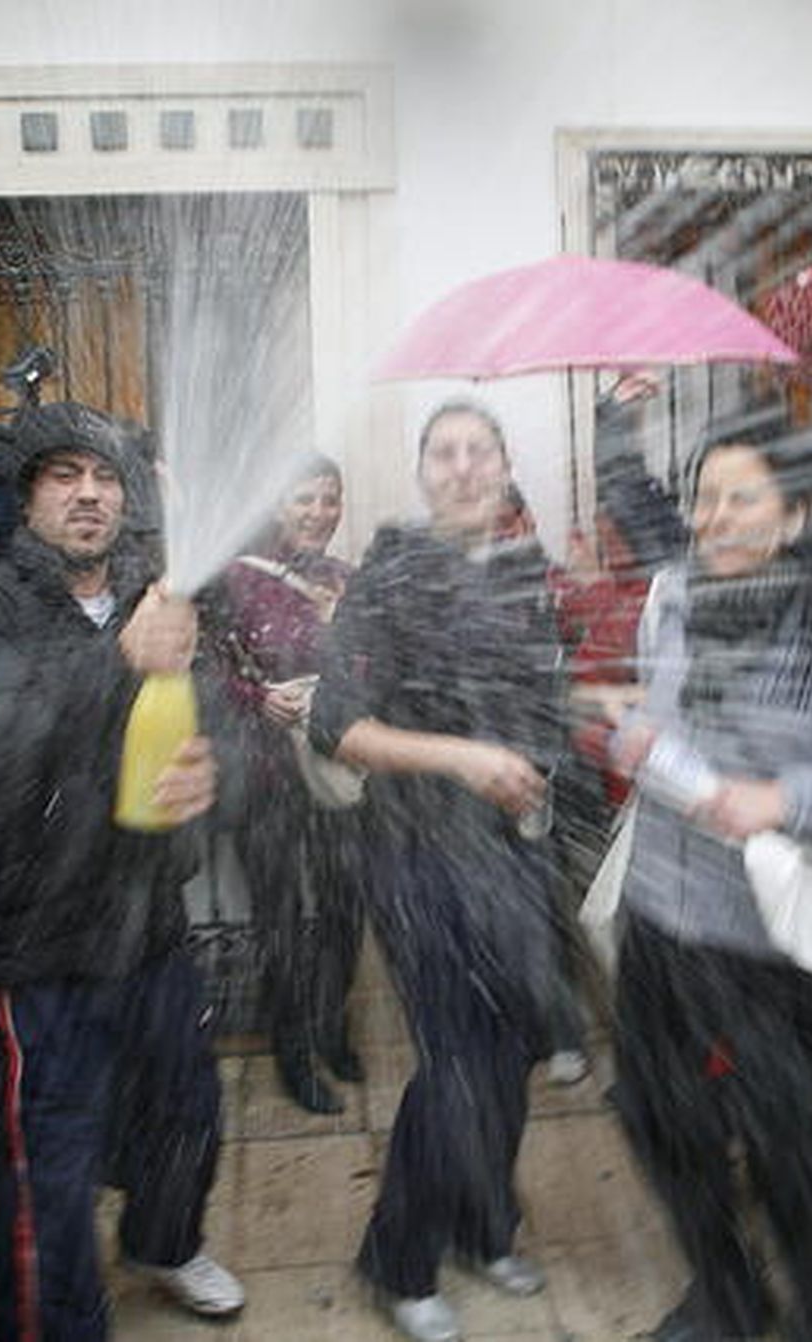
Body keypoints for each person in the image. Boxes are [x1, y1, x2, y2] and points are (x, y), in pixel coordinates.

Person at [0, 401, 243, 1339]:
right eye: (65, 476)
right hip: (29, 932)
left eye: (103, 476)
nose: (90, 493)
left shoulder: (161, 598)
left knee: (185, 1102)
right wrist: (118, 658)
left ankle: (164, 1239)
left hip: (144, 911)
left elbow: (216, 718)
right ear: (28, 501)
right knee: (46, 1154)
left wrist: (214, 771)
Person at [609, 404, 812, 1342]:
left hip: (759, 940)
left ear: (794, 518)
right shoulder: (670, 593)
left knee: (784, 1139)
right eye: (706, 497)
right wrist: (639, 736)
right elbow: (661, 709)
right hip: (657, 918)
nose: (716, 517)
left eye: (741, 499)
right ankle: (726, 1291)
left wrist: (782, 800)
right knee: (657, 1120)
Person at [310, 401, 563, 1342]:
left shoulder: (527, 571)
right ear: (422, 475)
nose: (461, 468)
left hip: (511, 849)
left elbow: (543, 702)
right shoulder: (390, 573)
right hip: (413, 854)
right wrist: (463, 758)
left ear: (504, 468)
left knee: (513, 1048)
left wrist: (553, 757)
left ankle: (480, 1224)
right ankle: (399, 1257)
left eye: (478, 451)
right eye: (443, 454)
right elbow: (336, 724)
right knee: (457, 1059)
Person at [209, 456, 364, 1113]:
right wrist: (254, 697)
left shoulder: (347, 579)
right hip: (264, 770)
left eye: (330, 499)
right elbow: (204, 668)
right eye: (305, 499)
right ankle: (292, 1052)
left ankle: (331, 1026)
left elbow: (370, 667)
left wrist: (340, 636)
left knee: (345, 906)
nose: (319, 512)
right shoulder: (237, 579)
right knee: (277, 916)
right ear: (278, 507)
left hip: (332, 766)